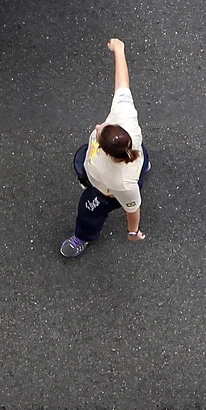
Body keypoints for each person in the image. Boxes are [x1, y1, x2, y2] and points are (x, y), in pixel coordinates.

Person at [61, 38, 150, 258]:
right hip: (130, 162)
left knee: (88, 211)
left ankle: (82, 236)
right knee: (141, 160)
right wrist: (119, 51)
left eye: (100, 132)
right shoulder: (125, 118)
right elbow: (122, 85)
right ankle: (144, 165)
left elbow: (132, 208)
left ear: (106, 153)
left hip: (104, 192)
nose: (98, 127)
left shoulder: (123, 183)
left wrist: (133, 231)